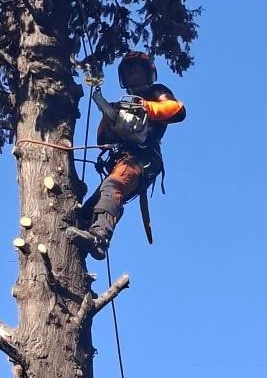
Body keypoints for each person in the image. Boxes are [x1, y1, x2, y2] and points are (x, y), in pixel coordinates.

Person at [66, 51, 186, 259]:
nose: (135, 73)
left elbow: (176, 110)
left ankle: (99, 238)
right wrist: (111, 119)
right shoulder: (118, 106)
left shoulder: (157, 92)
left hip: (144, 158)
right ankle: (78, 242)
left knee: (114, 185)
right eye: (130, 70)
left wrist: (146, 107)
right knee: (88, 209)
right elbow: (101, 140)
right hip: (121, 159)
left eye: (140, 69)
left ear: (149, 73)